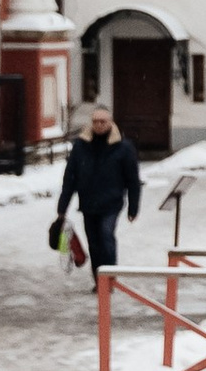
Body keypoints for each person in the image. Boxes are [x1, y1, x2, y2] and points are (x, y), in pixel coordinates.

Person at [52, 102, 142, 272]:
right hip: (88, 203)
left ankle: (109, 277)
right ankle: (98, 278)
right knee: (93, 243)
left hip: (111, 203)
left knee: (106, 237)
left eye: (103, 121)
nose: (99, 125)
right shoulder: (81, 146)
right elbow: (70, 178)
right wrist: (62, 208)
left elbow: (133, 180)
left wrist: (133, 208)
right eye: (95, 121)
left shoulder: (123, 147)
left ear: (111, 123)